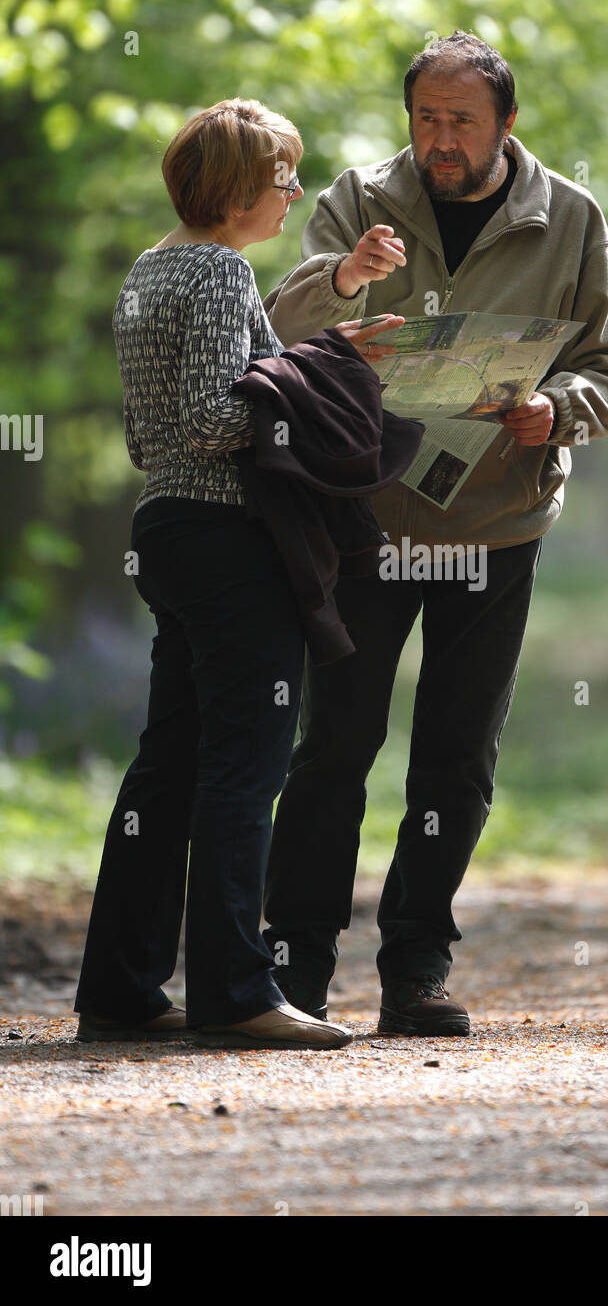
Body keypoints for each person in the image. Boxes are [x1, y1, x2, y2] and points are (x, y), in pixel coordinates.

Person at [261, 32, 608, 1037]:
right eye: (425, 117)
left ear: (505, 124)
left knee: (456, 756)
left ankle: (414, 970)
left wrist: (556, 410)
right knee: (333, 743)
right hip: (366, 511)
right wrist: (344, 277)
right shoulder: (356, 200)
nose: (440, 138)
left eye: (461, 121)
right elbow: (281, 330)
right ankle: (295, 967)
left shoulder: (569, 217)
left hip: (497, 516)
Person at [74, 98, 402, 1050]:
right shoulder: (221, 272)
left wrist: (304, 357)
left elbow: (150, 435)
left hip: (168, 530)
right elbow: (220, 422)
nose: (294, 194)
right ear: (237, 190)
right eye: (283, 179)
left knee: (168, 765)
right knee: (243, 766)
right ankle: (235, 991)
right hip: (228, 539)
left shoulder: (147, 271)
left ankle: (123, 989)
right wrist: (327, 363)